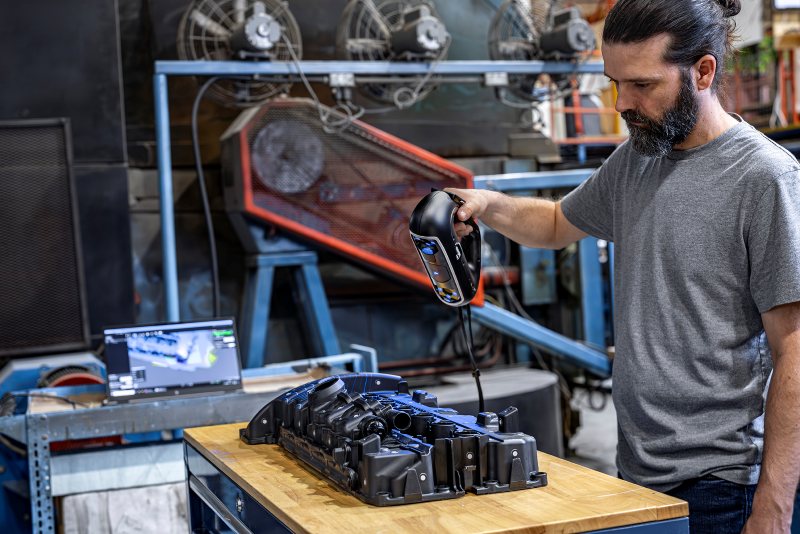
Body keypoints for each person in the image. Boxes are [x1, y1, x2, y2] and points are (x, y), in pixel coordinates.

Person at [447, 0, 800, 532]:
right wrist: (486, 204)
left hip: (722, 486)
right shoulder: (638, 158)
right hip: (637, 470)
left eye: (642, 85)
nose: (621, 103)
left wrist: (774, 502)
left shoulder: (764, 177)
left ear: (703, 71)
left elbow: (793, 349)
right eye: (614, 83)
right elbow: (556, 224)